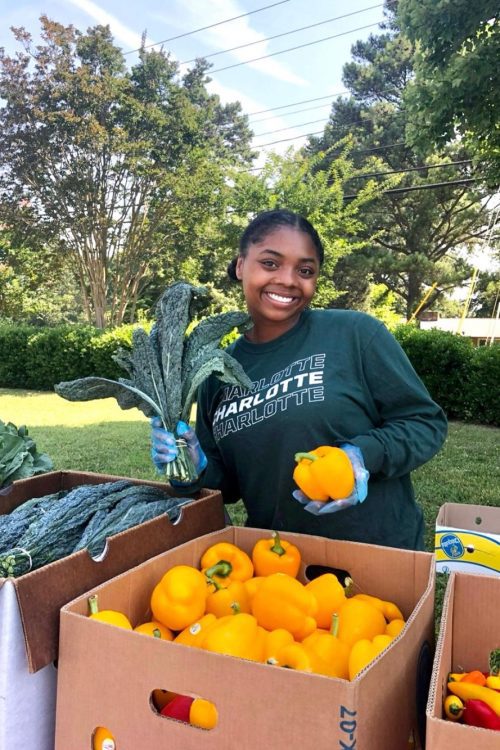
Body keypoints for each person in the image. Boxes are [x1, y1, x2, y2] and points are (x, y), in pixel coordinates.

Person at [152, 209, 447, 550]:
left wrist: (362, 456)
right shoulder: (216, 372)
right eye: (270, 263)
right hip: (276, 563)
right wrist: (194, 464)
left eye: (305, 270)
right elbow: (228, 487)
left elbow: (425, 423)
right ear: (240, 265)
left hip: (376, 554)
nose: (289, 280)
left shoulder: (355, 334)